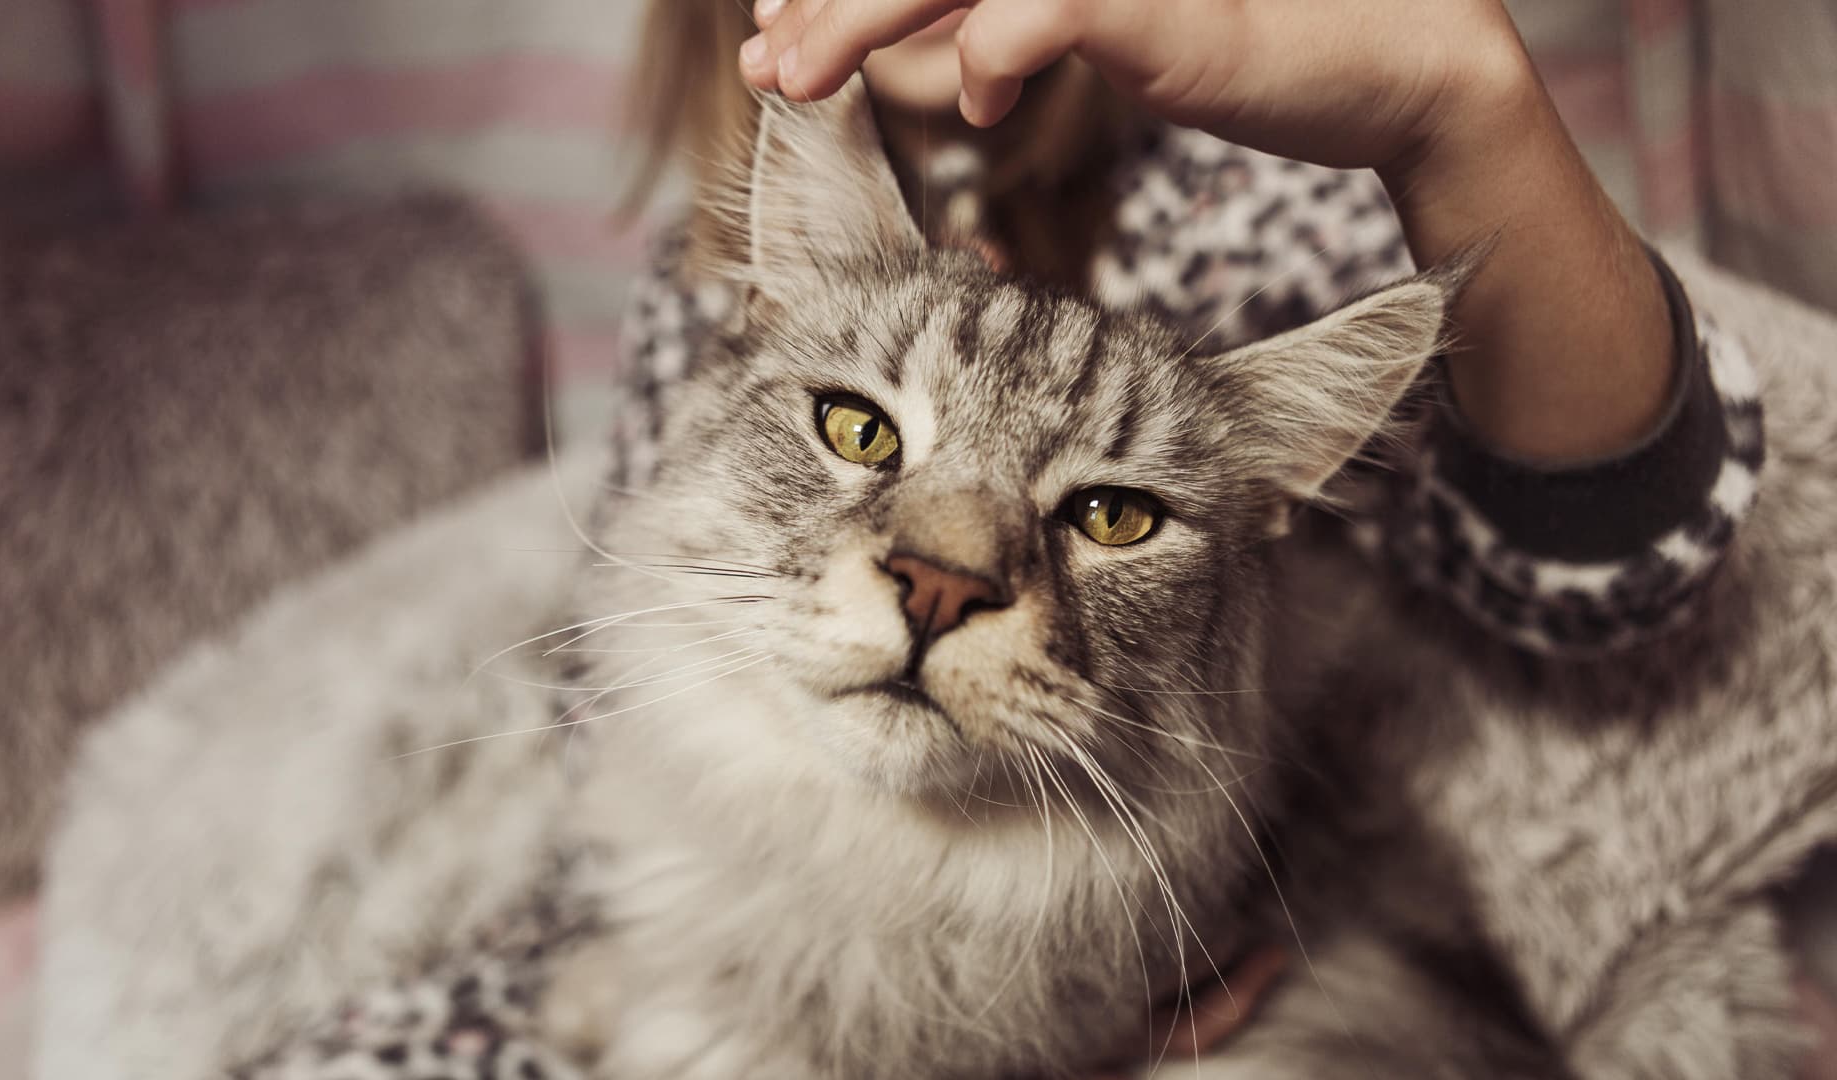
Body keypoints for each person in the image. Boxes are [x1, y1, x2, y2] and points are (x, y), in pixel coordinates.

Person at [616, 0, 1771, 1067]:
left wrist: (1459, 111)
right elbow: (634, 605)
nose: (948, 571)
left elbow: (1609, 569)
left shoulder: (1264, 195)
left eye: (1108, 512)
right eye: (862, 430)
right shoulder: (699, 274)